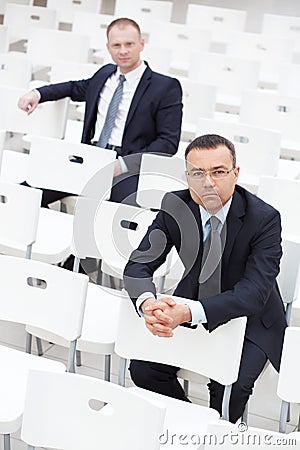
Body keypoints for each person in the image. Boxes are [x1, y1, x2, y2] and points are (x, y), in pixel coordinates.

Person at [123, 134, 287, 423]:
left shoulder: (264, 218)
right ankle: (193, 423)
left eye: (219, 172)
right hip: (193, 302)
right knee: (143, 370)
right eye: (197, 173)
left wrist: (189, 312)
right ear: (186, 175)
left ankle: (211, 431)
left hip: (252, 318)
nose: (208, 182)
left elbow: (253, 293)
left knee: (229, 389)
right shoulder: (176, 205)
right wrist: (147, 303)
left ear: (235, 174)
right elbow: (139, 264)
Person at [18, 17, 183, 206]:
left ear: (141, 44)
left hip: (128, 168)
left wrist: (123, 164)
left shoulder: (165, 87)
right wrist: (37, 93)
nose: (123, 51)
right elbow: (73, 88)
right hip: (90, 158)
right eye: (116, 45)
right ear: (108, 47)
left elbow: (168, 142)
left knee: (117, 219)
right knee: (25, 194)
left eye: (129, 44)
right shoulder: (105, 74)